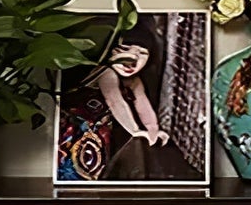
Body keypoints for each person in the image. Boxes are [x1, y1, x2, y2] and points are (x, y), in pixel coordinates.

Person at [58, 20, 198, 182]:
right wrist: (135, 130)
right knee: (75, 169)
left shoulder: (134, 81)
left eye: (142, 53)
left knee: (98, 167)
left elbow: (142, 102)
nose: (132, 59)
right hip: (76, 129)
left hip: (100, 132)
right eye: (124, 49)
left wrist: (153, 129)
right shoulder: (105, 72)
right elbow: (114, 100)